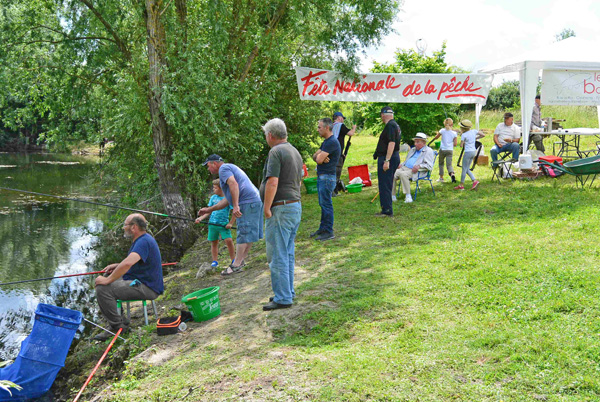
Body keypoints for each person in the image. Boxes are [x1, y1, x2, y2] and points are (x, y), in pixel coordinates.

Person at [94, 213, 163, 341]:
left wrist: (108, 280)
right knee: (107, 277)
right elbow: (130, 262)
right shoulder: (142, 239)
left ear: (133, 227)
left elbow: (127, 263)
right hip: (141, 280)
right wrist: (116, 266)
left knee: (102, 289)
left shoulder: (143, 242)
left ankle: (118, 327)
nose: (123, 228)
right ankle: (121, 320)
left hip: (147, 287)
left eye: (125, 225)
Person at [260, 118, 303, 311]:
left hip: (281, 208)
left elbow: (272, 182)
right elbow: (300, 180)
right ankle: (287, 291)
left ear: (270, 135)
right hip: (294, 206)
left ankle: (283, 297)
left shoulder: (276, 151)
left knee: (277, 254)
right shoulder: (294, 151)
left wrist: (267, 207)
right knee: (287, 252)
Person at [199, 154, 263, 275]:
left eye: (208, 166)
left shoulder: (223, 169)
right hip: (255, 201)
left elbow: (234, 184)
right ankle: (240, 262)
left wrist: (236, 205)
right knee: (249, 233)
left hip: (247, 202)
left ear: (214, 163)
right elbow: (226, 200)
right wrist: (209, 210)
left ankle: (236, 264)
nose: (208, 169)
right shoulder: (229, 168)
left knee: (243, 232)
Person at [195, 179, 236, 272]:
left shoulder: (228, 198)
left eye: (215, 188)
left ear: (222, 189)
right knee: (214, 242)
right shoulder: (213, 198)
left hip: (223, 225)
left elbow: (234, 212)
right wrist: (200, 218)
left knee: (229, 240)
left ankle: (234, 259)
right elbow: (208, 211)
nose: (213, 189)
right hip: (212, 224)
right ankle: (215, 261)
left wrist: (230, 223)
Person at [311, 118, 340, 241]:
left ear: (327, 128)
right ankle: (323, 228)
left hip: (327, 177)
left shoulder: (331, 142)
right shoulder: (326, 142)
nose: (318, 130)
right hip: (323, 177)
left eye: (319, 127)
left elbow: (318, 160)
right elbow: (315, 157)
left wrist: (320, 157)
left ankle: (329, 231)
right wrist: (320, 156)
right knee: (322, 204)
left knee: (326, 204)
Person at [373, 106, 401, 216]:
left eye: (381, 115)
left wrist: (387, 160)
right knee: (386, 183)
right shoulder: (395, 125)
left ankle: (387, 210)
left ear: (383, 115)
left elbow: (392, 143)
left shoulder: (390, 125)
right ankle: (386, 208)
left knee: (385, 184)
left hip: (388, 157)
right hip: (393, 156)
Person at [392, 133, 435, 203]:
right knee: (392, 173)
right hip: (405, 168)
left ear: (424, 142)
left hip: (417, 171)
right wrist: (401, 165)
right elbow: (407, 160)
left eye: (417, 142)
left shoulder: (428, 151)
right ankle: (392, 196)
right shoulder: (413, 149)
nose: (415, 144)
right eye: (415, 141)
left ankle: (408, 196)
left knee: (403, 174)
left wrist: (419, 166)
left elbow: (429, 166)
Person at [454, 120, 485, 190]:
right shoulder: (474, 131)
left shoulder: (464, 135)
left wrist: (463, 140)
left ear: (463, 129)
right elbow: (483, 135)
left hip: (467, 152)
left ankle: (461, 185)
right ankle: (474, 181)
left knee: (464, 169)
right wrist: (475, 138)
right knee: (467, 168)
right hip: (473, 152)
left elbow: (461, 145)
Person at [332, 112, 356, 195]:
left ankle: (333, 190)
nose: (343, 120)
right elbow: (350, 133)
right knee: (337, 171)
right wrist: (354, 128)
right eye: (342, 118)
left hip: (331, 151)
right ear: (339, 118)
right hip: (336, 152)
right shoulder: (340, 125)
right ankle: (334, 191)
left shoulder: (332, 126)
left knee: (332, 171)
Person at [431, 118, 458, 183]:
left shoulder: (442, 130)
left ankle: (441, 178)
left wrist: (434, 138)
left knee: (441, 164)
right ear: (452, 124)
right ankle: (452, 174)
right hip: (450, 150)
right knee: (449, 164)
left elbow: (436, 137)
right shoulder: (454, 133)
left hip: (442, 149)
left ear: (444, 124)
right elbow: (455, 144)